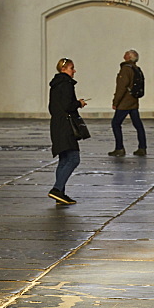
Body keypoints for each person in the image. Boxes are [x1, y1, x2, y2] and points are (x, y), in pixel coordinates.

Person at [48, 57, 87, 205]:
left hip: (57, 124)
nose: (74, 71)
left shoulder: (56, 84)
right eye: (72, 68)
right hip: (66, 126)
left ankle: (60, 194)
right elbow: (67, 105)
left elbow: (53, 106)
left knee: (64, 159)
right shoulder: (66, 84)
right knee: (73, 158)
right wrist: (79, 103)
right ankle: (57, 189)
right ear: (64, 69)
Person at [108, 48, 147, 157]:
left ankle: (119, 148)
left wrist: (115, 101)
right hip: (134, 101)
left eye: (126, 54)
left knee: (115, 123)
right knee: (138, 125)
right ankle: (142, 147)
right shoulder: (137, 69)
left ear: (128, 57)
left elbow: (121, 87)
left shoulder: (126, 69)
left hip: (124, 103)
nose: (124, 55)